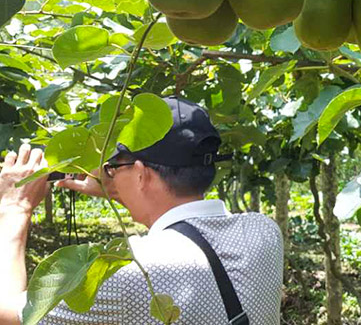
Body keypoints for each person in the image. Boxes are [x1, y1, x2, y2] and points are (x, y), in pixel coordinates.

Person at [0, 96, 283, 324]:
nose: (109, 174)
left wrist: (15, 207)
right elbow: (181, 226)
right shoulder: (264, 232)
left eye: (113, 166)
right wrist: (118, 186)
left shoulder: (127, 273)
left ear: (140, 174)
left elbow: (10, 313)